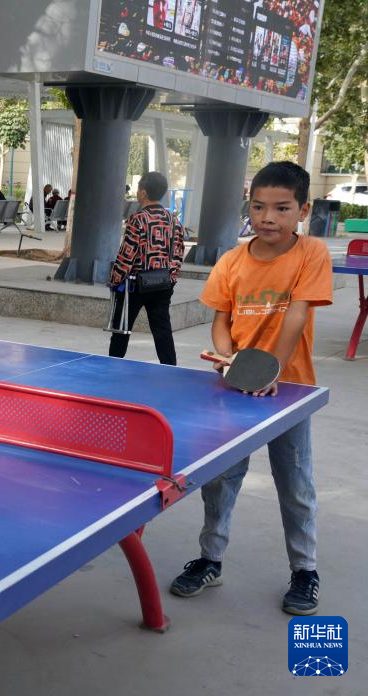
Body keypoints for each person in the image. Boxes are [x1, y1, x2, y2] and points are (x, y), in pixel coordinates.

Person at [168, 161, 332, 616]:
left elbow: (297, 314)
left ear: (302, 211)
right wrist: (230, 359)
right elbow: (221, 323)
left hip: (289, 390)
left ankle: (305, 570)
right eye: (258, 207)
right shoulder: (231, 261)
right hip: (236, 389)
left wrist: (270, 369)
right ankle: (210, 559)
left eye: (282, 208)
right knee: (221, 480)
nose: (268, 217)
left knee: (295, 484)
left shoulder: (311, 253)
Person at [107, 171, 184, 365]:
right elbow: (178, 253)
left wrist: (115, 279)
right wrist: (171, 278)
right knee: (162, 331)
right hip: (163, 283)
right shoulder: (173, 220)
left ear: (143, 192)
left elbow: (127, 254)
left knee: (122, 329)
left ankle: (112, 368)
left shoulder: (138, 219)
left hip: (135, 285)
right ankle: (170, 368)